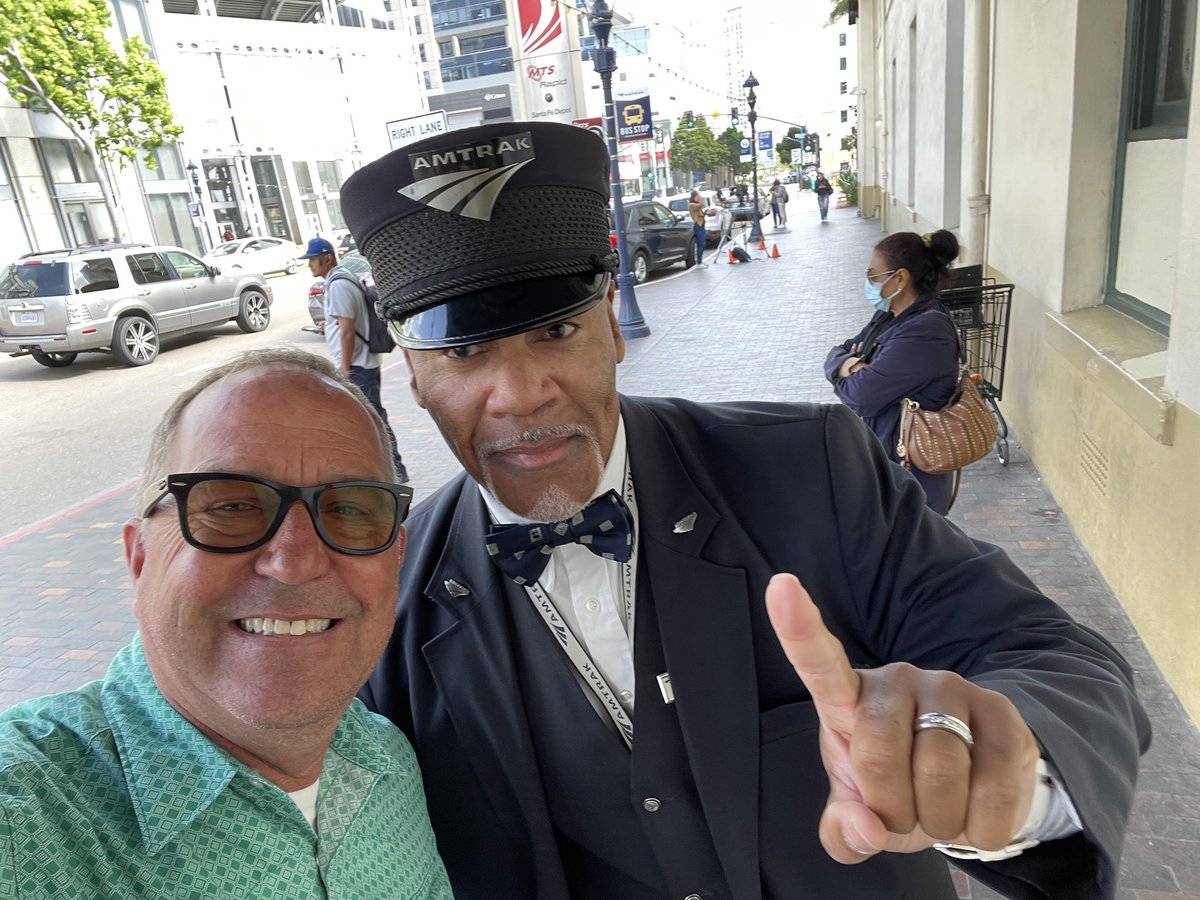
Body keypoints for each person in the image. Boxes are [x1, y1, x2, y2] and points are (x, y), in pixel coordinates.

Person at [344, 121, 1149, 900]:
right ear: (414, 377)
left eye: (557, 330)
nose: (520, 394)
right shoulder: (385, 598)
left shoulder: (810, 471)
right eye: (462, 353)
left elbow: (1059, 660)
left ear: (613, 330)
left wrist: (998, 759)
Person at [0, 348, 452, 898]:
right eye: (232, 506)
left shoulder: (391, 764)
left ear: (395, 559)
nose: (294, 562)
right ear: (139, 559)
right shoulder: (24, 813)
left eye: (351, 509)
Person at [824, 230, 962, 514]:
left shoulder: (926, 332)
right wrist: (849, 364)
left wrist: (850, 368)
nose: (869, 282)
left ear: (900, 278)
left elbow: (862, 396)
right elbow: (839, 351)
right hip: (888, 465)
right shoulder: (890, 316)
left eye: (873, 275)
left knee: (913, 551)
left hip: (913, 481)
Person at [300, 236, 409, 483]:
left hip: (358, 366)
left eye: (313, 260)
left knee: (373, 420)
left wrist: (345, 369)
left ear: (327, 258)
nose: (310, 265)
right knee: (374, 417)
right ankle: (394, 470)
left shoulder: (338, 285)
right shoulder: (344, 279)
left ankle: (395, 472)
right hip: (363, 363)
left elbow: (346, 329)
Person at [687, 189, 707, 265]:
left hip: (701, 225)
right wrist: (701, 198)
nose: (698, 198)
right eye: (697, 196)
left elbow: (701, 211)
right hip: (698, 225)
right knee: (701, 244)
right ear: (694, 197)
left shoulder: (695, 205)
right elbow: (701, 204)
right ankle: (699, 261)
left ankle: (700, 260)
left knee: (701, 244)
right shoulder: (691, 205)